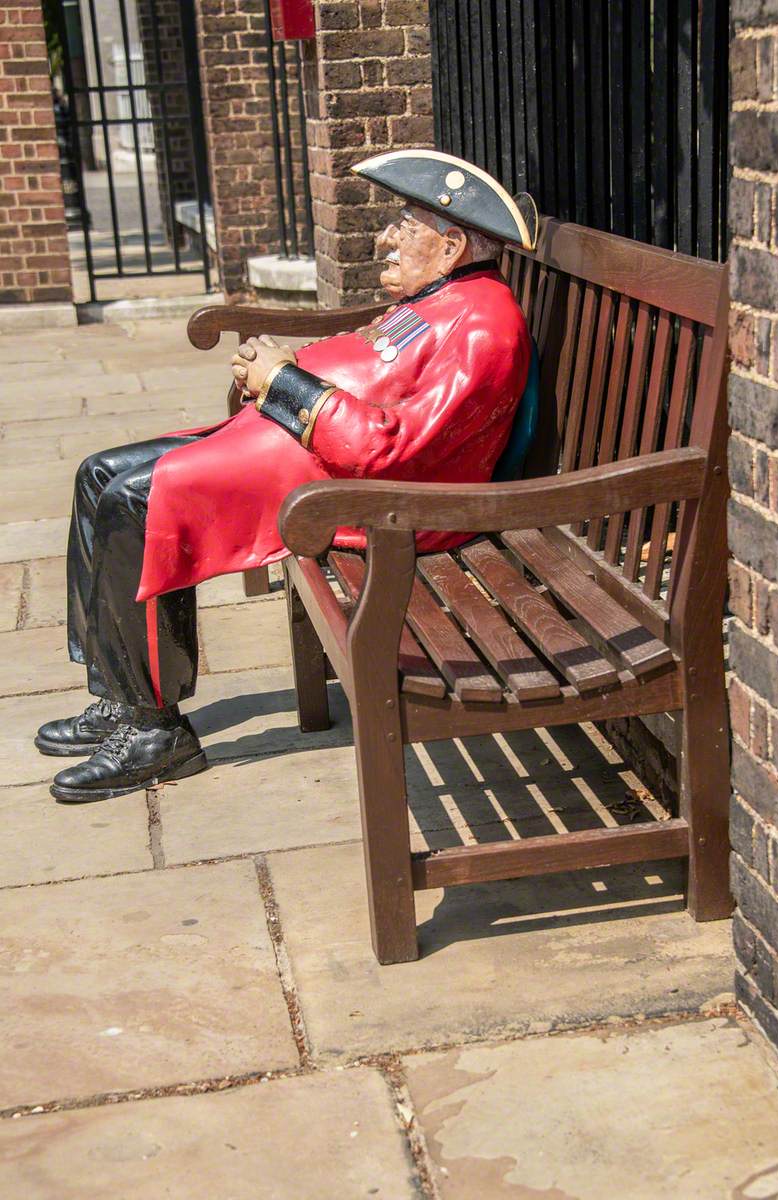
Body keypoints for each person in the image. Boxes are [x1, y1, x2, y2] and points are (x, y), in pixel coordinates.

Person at [36, 149, 535, 802]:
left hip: (373, 498)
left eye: (403, 224)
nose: (385, 237)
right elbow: (370, 366)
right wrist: (283, 369)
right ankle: (119, 691)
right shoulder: (440, 298)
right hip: (300, 450)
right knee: (97, 474)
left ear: (450, 245)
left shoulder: (484, 328)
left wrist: (285, 382)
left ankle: (154, 730)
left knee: (136, 503)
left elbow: (392, 450)